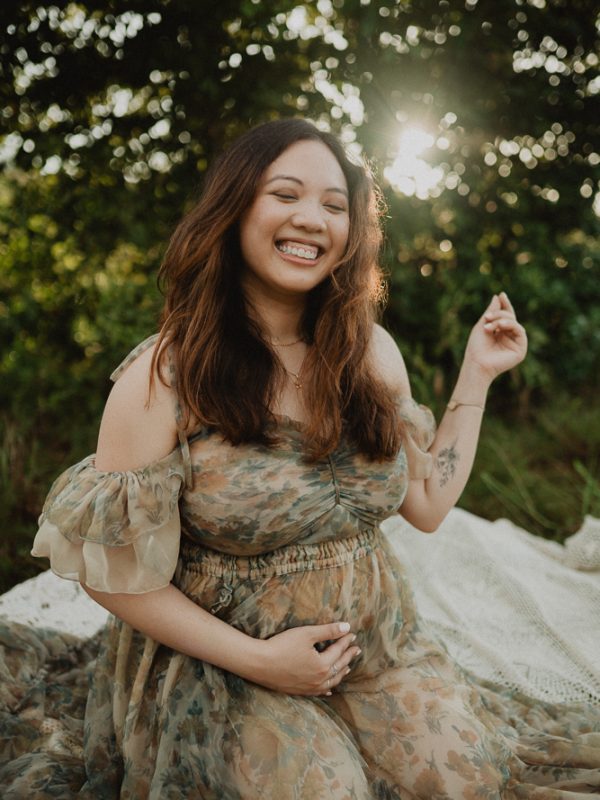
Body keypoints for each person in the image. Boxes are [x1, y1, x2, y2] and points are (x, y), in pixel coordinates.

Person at [12, 118, 600, 797]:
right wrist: (261, 661)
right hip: (225, 666)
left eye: (333, 204)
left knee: (465, 778)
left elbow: (429, 505)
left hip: (377, 647)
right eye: (285, 194)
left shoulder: (372, 353)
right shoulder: (164, 376)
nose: (311, 219)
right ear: (235, 211)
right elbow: (111, 577)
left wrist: (477, 374)